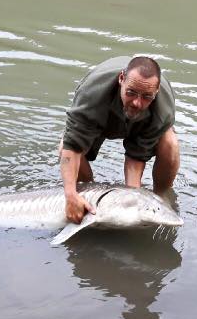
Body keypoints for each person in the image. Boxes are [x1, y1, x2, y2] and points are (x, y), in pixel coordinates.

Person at [59, 55, 179, 224]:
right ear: (121, 79)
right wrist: (70, 194)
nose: (137, 102)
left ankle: (160, 196)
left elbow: (136, 156)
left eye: (146, 96)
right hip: (100, 115)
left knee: (170, 142)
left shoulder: (162, 109)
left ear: (157, 90)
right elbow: (72, 146)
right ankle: (87, 192)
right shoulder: (91, 94)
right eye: (131, 93)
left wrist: (135, 200)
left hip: (141, 123)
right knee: (64, 145)